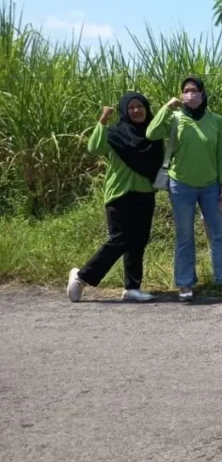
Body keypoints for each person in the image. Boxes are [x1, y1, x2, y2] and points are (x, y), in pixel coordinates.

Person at [146, 76, 222, 301]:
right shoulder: (175, 118)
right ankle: (185, 283)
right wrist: (166, 107)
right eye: (186, 90)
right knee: (184, 235)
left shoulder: (216, 120)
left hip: (211, 185)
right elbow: (151, 133)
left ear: (203, 93)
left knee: (219, 233)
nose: (190, 94)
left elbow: (221, 155)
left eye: (194, 90)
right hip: (180, 185)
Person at [67, 92, 163, 303]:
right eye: (131, 107)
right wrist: (103, 121)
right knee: (120, 239)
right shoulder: (115, 134)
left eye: (140, 106)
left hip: (146, 194)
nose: (136, 111)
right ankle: (81, 277)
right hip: (120, 194)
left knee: (139, 241)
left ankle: (132, 288)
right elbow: (95, 148)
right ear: (124, 111)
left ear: (146, 108)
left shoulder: (153, 135)